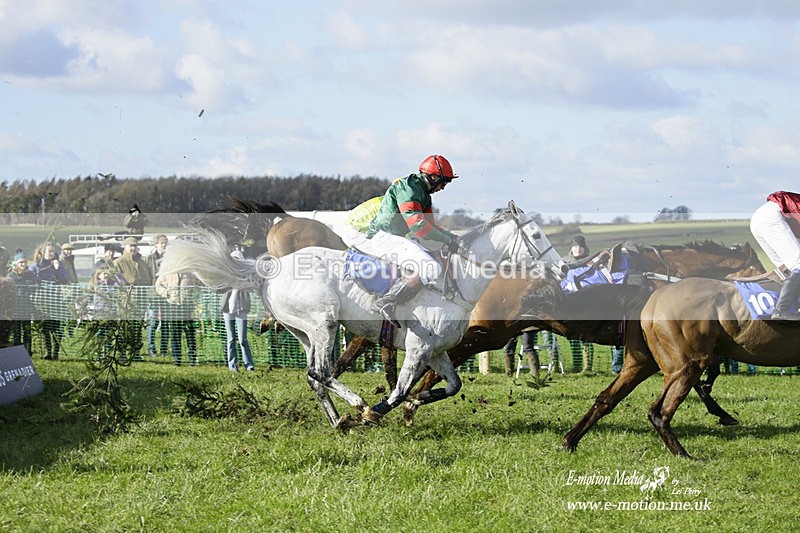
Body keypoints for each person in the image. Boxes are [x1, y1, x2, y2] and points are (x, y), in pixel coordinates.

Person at [363, 154, 460, 327]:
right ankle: (386, 302)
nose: (443, 188)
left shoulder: (424, 195)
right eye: (444, 182)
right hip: (384, 237)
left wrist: (452, 237)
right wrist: (446, 239)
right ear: (434, 177)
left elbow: (431, 226)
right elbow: (418, 226)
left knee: (433, 259)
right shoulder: (408, 187)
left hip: (394, 237)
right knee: (431, 268)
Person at [750, 190, 800, 320]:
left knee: (787, 268)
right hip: (772, 217)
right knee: (798, 264)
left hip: (757, 220)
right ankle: (781, 311)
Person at [30, 242, 71, 360]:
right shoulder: (36, 265)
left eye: (53, 251)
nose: (52, 253)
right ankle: (48, 351)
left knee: (56, 327)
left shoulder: (59, 264)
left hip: (56, 300)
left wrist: (58, 268)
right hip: (42, 301)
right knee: (44, 327)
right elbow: (31, 278)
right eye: (49, 251)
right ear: (43, 252)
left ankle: (56, 353)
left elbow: (65, 279)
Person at [562, 234, 594, 373]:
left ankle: (587, 366)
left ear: (584, 248)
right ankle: (576, 365)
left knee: (587, 335)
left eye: (580, 246)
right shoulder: (564, 262)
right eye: (575, 246)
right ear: (571, 248)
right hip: (570, 303)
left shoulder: (592, 261)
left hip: (587, 301)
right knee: (573, 336)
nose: (578, 249)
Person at [221, 246, 255, 372]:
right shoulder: (226, 274)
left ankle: (249, 365)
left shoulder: (246, 275)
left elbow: (251, 287)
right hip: (227, 309)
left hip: (241, 308)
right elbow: (218, 289)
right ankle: (232, 365)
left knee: (242, 339)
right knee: (230, 338)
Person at [156, 270, 200, 366]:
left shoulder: (190, 273)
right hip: (173, 305)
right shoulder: (167, 272)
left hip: (187, 307)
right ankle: (177, 358)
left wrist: (193, 297)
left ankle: (192, 359)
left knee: (190, 333)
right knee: (175, 333)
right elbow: (158, 285)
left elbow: (198, 286)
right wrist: (166, 293)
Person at [7, 252, 36, 354]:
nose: (23, 264)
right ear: (16, 264)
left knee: (27, 330)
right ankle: (17, 351)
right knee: (17, 331)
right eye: (21, 262)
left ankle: (28, 351)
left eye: (25, 262)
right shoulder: (11, 276)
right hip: (15, 308)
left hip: (27, 307)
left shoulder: (31, 275)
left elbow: (35, 288)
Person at [145, 234, 169, 357]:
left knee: (165, 322)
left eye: (165, 242)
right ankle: (151, 348)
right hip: (154, 294)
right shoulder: (150, 258)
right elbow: (147, 275)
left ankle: (164, 349)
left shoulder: (170, 258)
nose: (164, 245)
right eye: (161, 243)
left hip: (166, 294)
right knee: (153, 322)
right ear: (156, 244)